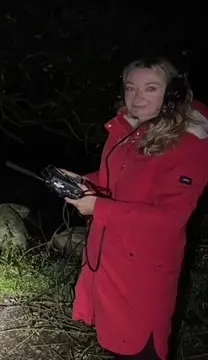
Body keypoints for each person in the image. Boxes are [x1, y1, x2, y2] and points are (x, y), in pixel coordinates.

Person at [63, 57, 208, 359]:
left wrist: (98, 208)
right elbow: (112, 182)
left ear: (172, 94)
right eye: (131, 88)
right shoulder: (128, 130)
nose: (137, 97)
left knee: (141, 348)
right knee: (115, 344)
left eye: (150, 88)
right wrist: (81, 182)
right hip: (109, 265)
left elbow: (171, 219)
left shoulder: (190, 144)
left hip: (142, 278)